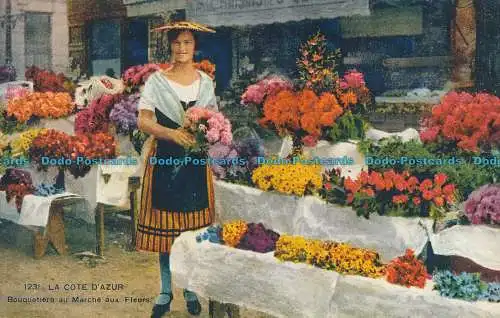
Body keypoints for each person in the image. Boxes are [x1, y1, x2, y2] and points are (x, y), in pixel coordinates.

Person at [135, 20, 217, 318]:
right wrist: (172, 134)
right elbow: (143, 121)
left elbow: (213, 120)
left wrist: (206, 133)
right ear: (170, 45)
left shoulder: (205, 82)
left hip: (195, 163)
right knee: (167, 230)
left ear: (195, 47)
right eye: (177, 42)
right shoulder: (157, 81)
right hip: (166, 159)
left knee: (192, 231)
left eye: (188, 43)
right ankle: (166, 290)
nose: (182, 48)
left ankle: (191, 288)